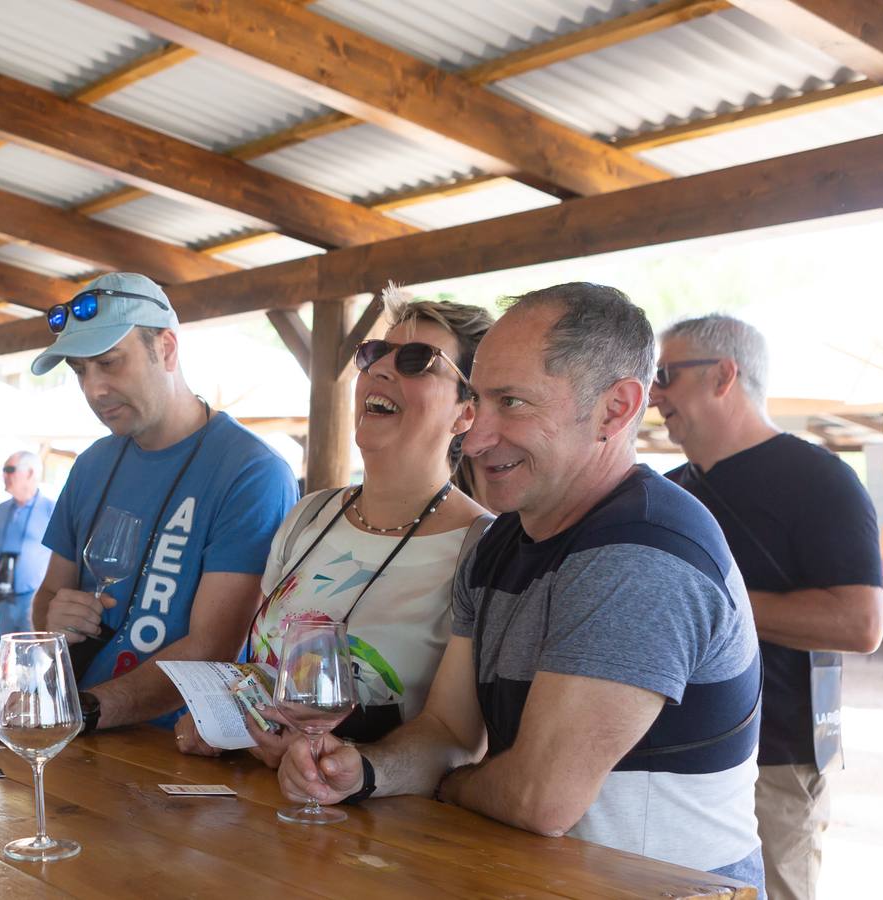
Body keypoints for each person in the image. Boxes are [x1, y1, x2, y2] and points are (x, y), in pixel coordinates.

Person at [279, 283, 763, 889]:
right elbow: (449, 732)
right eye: (478, 401)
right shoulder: (496, 544)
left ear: (615, 409)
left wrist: (446, 785)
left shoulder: (643, 549)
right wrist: (367, 771)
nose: (476, 436)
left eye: (512, 403)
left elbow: (540, 799)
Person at [176, 298, 495, 762]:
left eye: (416, 360)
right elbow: (260, 668)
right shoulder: (310, 514)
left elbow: (461, 740)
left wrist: (344, 768)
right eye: (373, 354)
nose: (381, 370)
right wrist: (223, 720)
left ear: (466, 413)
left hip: (375, 825)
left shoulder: (480, 546)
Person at [652, 314, 883, 900]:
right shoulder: (671, 488)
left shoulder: (820, 478)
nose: (653, 394)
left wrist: (715, 608)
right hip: (674, 751)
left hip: (777, 757)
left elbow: (861, 625)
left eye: (666, 374)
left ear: (724, 375)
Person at [32, 272, 297, 733]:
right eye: (80, 370)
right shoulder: (92, 463)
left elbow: (210, 649)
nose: (94, 389)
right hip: (81, 731)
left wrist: (85, 711)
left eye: (110, 363)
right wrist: (54, 621)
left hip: (183, 752)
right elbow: (48, 597)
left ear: (167, 349)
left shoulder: (251, 470)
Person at [0, 450, 55, 635]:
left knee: (34, 656)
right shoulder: (1, 510)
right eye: (4, 470)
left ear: (30, 473)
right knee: (6, 655)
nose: (4, 475)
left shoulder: (51, 509)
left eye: (10, 469)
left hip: (33, 598)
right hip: (3, 596)